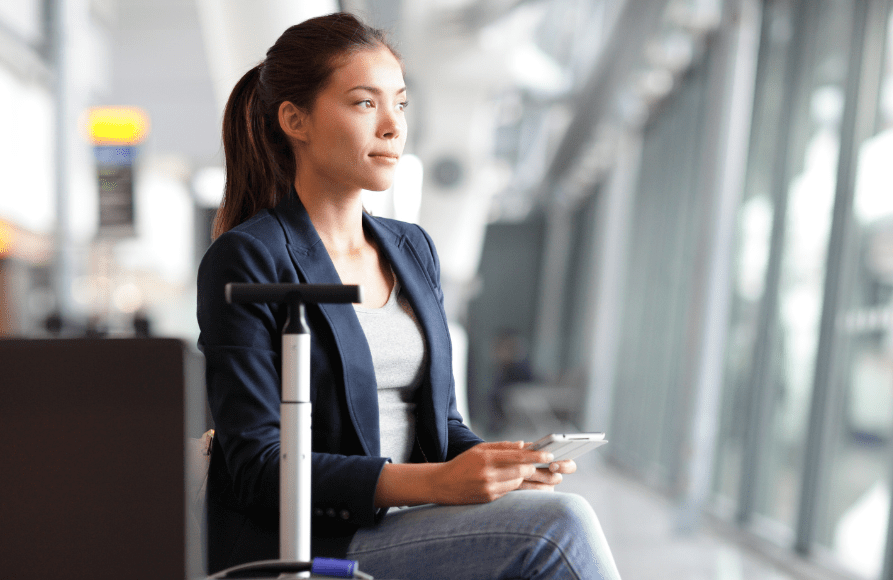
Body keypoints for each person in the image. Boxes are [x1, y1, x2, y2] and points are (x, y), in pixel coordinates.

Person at [196, 12, 620, 579]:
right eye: (365, 104)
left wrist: (496, 465)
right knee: (559, 527)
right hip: (313, 542)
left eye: (401, 103)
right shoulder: (249, 258)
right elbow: (257, 466)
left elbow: (440, 424)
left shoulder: (411, 249)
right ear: (295, 120)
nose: (393, 126)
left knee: (548, 514)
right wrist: (436, 482)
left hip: (409, 520)